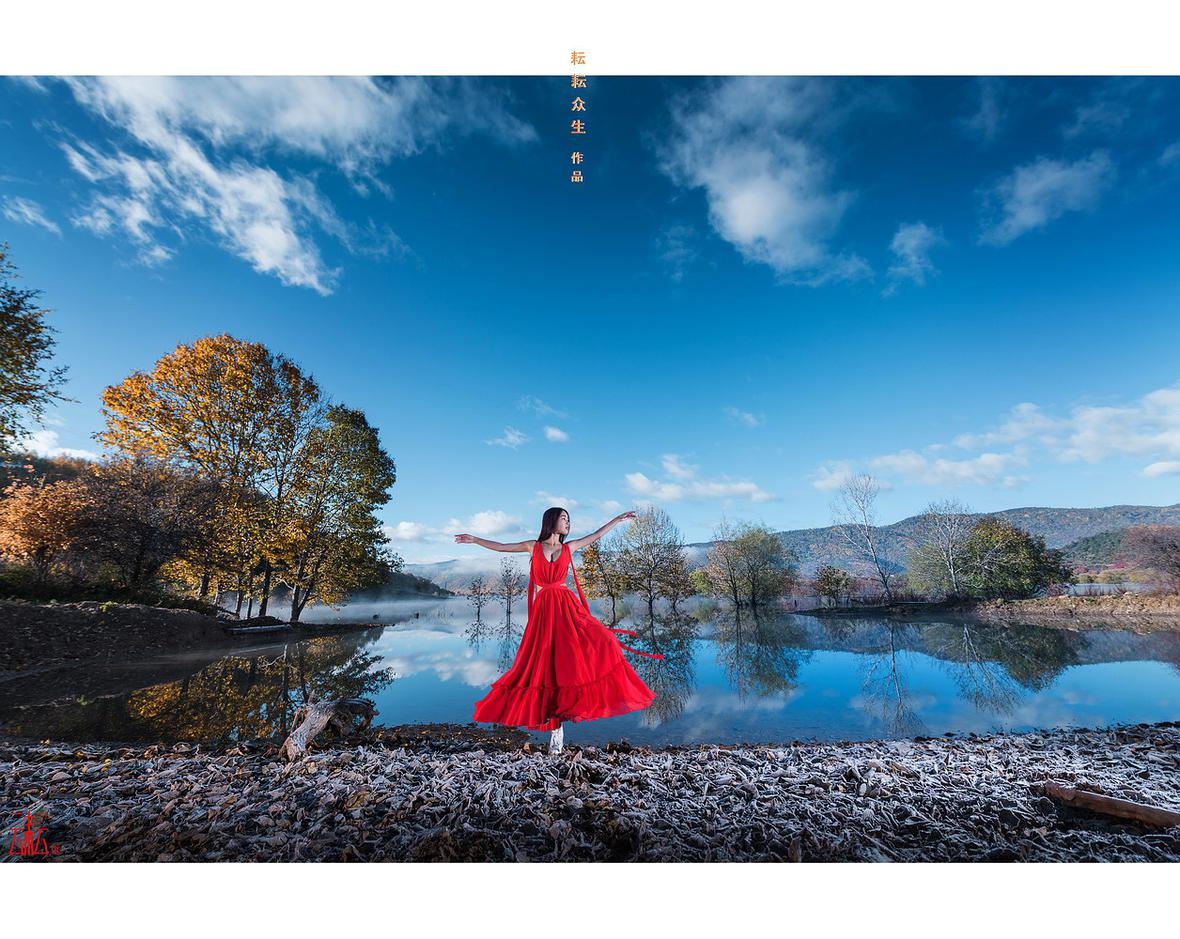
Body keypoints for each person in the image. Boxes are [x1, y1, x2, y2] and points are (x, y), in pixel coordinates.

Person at [455, 506, 663, 754]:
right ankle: (555, 727)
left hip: (567, 609)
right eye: (564, 518)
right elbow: (501, 547)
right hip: (544, 612)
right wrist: (475, 539)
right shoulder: (533, 546)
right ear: (551, 521)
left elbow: (596, 535)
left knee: (595, 645)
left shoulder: (569, 547)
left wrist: (617, 520)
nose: (568, 523)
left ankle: (561, 721)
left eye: (568, 519)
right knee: (543, 664)